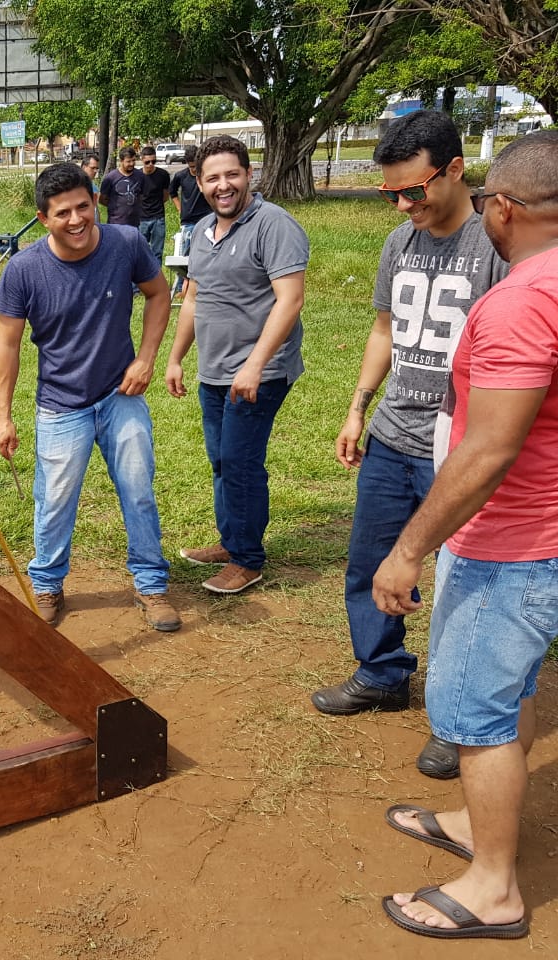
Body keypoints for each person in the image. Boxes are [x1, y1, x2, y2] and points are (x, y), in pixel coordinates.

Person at [372, 129, 558, 942]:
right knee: (512, 689)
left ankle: (493, 888)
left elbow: (487, 449)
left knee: (475, 710)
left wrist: (409, 547)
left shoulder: (520, 300)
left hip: (510, 546)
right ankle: (477, 828)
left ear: (503, 208)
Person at [310, 111, 508, 783]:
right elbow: (383, 331)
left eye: (413, 191)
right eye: (389, 194)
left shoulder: (498, 247)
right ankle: (382, 672)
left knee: (462, 583)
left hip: (462, 446)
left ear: (455, 169)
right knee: (371, 562)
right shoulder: (401, 242)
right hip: (394, 436)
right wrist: (357, 407)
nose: (402, 205)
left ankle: (459, 717)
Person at [0, 162, 180, 633]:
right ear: (42, 218)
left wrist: (147, 358)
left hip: (120, 394)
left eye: (82, 207)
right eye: (62, 213)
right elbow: (7, 345)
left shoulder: (126, 243)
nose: (76, 220)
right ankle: (48, 584)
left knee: (138, 490)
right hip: (59, 403)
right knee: (54, 500)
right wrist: (3, 416)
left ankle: (152, 585)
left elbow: (160, 295)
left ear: (94, 201)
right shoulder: (24, 269)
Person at [165, 135, 309, 594]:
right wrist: (175, 358)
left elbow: (290, 300)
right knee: (222, 461)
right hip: (214, 371)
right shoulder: (202, 231)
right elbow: (193, 299)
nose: (223, 185)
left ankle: (247, 559)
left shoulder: (274, 225)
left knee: (241, 462)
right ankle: (232, 541)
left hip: (258, 373)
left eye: (232, 175)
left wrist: (254, 364)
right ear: (198, 181)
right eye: (212, 178)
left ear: (249, 175)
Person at [168, 145, 209, 297]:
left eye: (196, 166)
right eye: (191, 166)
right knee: (184, 256)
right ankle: (180, 287)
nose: (194, 169)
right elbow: (172, 192)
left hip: (206, 219)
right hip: (188, 221)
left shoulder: (206, 175)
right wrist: (179, 208)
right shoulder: (180, 176)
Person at [137, 145, 171, 263]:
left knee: (157, 252)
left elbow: (165, 196)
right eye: (147, 162)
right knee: (140, 252)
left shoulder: (163, 175)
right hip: (141, 219)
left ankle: (156, 279)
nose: (150, 164)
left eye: (153, 161)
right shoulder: (136, 176)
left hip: (158, 218)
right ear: (142, 160)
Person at [98, 147, 145, 227]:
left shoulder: (140, 176)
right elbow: (102, 199)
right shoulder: (111, 178)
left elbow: (141, 196)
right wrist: (116, 206)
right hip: (115, 223)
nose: (131, 164)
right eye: (128, 161)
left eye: (133, 160)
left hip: (135, 223)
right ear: (121, 161)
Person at [80, 152, 102, 222]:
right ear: (84, 167)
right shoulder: (76, 186)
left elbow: (96, 208)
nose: (95, 171)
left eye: (97, 168)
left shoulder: (93, 185)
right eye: (92, 168)